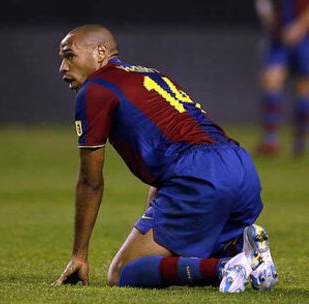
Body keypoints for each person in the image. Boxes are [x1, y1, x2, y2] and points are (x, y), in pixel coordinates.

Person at [52, 24, 278, 293]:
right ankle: (250, 253)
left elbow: (90, 180)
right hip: (240, 166)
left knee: (123, 272)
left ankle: (225, 267)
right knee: (180, 249)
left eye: (69, 56)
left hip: (199, 173)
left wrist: (79, 255)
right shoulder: (152, 75)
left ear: (100, 52)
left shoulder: (96, 89)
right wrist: (154, 216)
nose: (63, 68)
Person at [255, 0, 309, 156]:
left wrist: (299, 27)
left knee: (304, 87)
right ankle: (270, 140)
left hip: (305, 38)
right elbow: (264, 6)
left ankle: (300, 141)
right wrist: (271, 22)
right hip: (279, 38)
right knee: (271, 80)